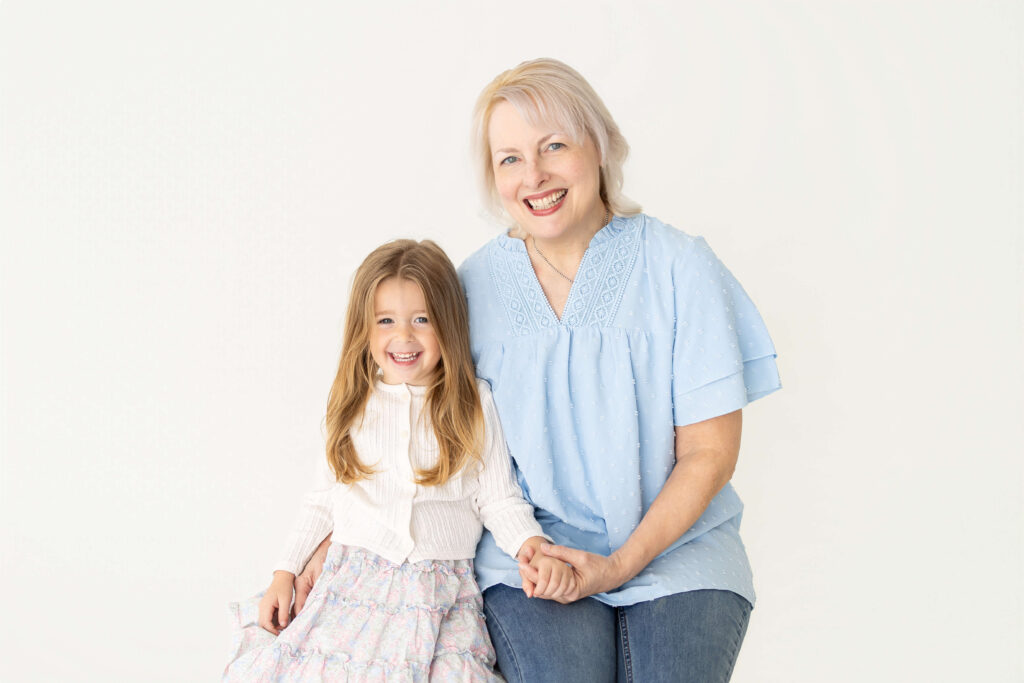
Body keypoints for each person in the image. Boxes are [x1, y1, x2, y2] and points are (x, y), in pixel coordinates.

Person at [295, 58, 781, 682]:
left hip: (679, 550)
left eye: (555, 146)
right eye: (510, 159)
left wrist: (619, 564)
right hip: (529, 555)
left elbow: (709, 454)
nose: (535, 176)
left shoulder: (681, 267)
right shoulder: (467, 288)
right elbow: (407, 426)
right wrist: (329, 547)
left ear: (599, 147)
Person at [224, 239, 572, 681]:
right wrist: (284, 572)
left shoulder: (472, 402)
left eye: (422, 320)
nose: (403, 336)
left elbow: (498, 498)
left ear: (448, 324)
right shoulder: (351, 403)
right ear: (364, 329)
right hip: (355, 580)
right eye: (385, 320)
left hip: (441, 588)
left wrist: (532, 545)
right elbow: (322, 499)